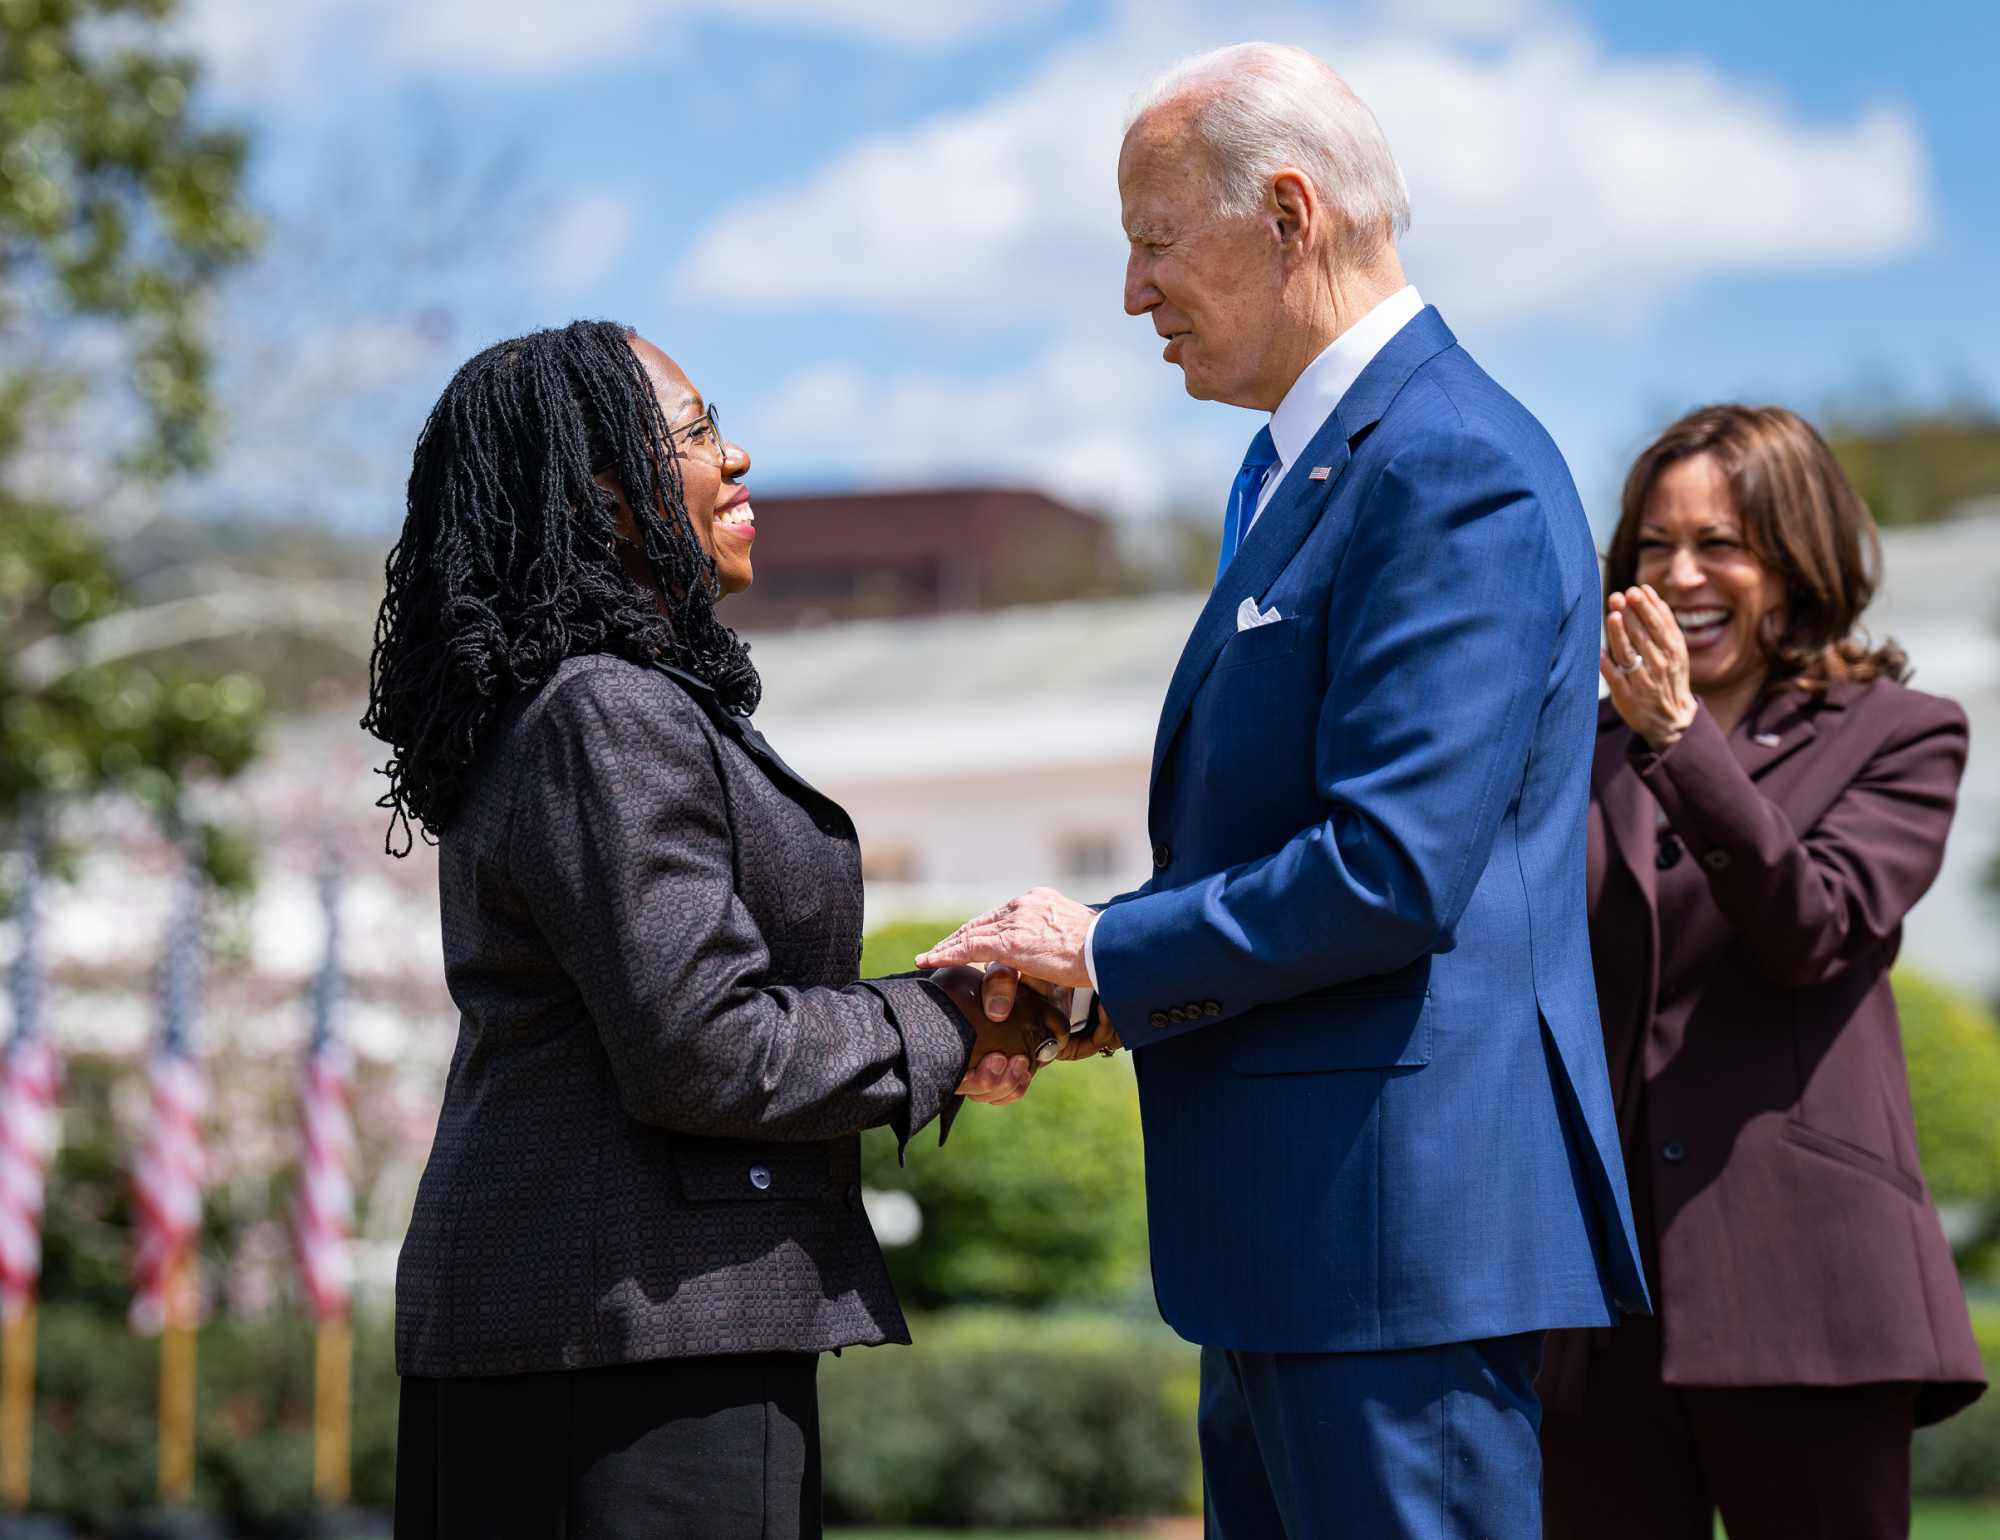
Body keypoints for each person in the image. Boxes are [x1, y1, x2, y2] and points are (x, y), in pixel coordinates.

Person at [919, 42, 1645, 1539]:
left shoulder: (1451, 469)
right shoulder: (1314, 475)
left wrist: (1108, 946)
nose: (1133, 294)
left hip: (1392, 1248)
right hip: (1301, 1243)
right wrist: (1093, 992)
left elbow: (1390, 866)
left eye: (1155, 240)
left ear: (1290, 213)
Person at [363, 320, 1099, 1540]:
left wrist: (957, 1017)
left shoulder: (607, 706)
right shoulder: (604, 714)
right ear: (603, 485)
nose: (739, 456)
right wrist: (955, 1014)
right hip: (622, 1343)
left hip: (610, 1332)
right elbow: (704, 1043)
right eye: (699, 432)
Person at [1538, 404, 1986, 1539]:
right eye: (1652, 544)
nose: (1679, 573)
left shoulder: (1900, 734)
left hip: (1811, 1297)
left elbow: (1810, 929)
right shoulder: (1569, 755)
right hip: (1601, 1305)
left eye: (1719, 543)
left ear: (1794, 565)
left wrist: (1677, 741)